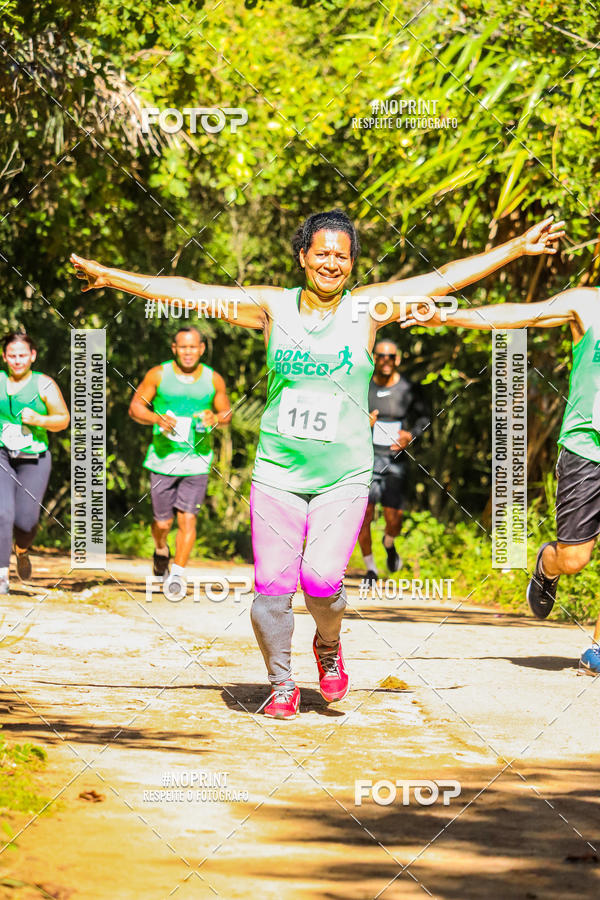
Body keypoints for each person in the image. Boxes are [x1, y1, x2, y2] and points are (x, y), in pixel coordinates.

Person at [71, 210, 563, 717]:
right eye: (322, 253)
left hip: (344, 474)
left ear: (352, 263)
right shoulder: (272, 307)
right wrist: (113, 277)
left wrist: (516, 248)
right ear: (303, 256)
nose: (332, 263)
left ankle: (327, 647)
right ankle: (281, 684)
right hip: (277, 472)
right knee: (271, 591)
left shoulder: (367, 309)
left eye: (342, 256)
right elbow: (188, 288)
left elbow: (442, 278)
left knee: (323, 582)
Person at [405, 284, 600, 675]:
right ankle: (548, 564)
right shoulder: (589, 304)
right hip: (586, 448)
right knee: (574, 559)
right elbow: (520, 313)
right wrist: (446, 315)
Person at [128, 326, 231, 598]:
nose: (188, 352)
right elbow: (136, 407)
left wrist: (215, 418)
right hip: (162, 460)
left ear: (202, 349)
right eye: (182, 347)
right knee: (162, 523)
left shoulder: (213, 379)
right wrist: (156, 419)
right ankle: (161, 549)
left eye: (193, 347)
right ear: (174, 348)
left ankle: (176, 575)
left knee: (188, 518)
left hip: (197, 460)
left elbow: (226, 413)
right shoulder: (158, 374)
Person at [0, 332, 70, 593]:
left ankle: (22, 549)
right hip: (2, 454)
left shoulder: (44, 385)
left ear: (32, 356)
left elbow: (63, 419)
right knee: (2, 512)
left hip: (34, 457)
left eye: (22, 355)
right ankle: (2, 576)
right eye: (12, 355)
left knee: (26, 521)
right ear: (5, 357)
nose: (17, 360)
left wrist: (40, 420)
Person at [359, 339, 430, 583]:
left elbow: (424, 418)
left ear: (397, 359)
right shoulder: (362, 386)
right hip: (366, 457)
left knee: (394, 519)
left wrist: (411, 435)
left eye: (390, 356)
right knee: (364, 515)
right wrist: (362, 422)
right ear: (374, 358)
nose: (386, 361)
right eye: (381, 356)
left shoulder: (409, 389)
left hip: (395, 459)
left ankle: (389, 542)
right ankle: (371, 569)